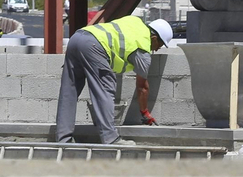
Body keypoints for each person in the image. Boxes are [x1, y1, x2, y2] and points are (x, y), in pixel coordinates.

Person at [54, 15, 173, 144]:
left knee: (69, 91)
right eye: (160, 44)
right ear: (154, 38)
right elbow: (142, 87)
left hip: (77, 37)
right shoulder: (143, 49)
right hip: (94, 46)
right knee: (105, 88)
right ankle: (110, 138)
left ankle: (63, 139)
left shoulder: (135, 21)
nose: (157, 49)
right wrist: (144, 112)